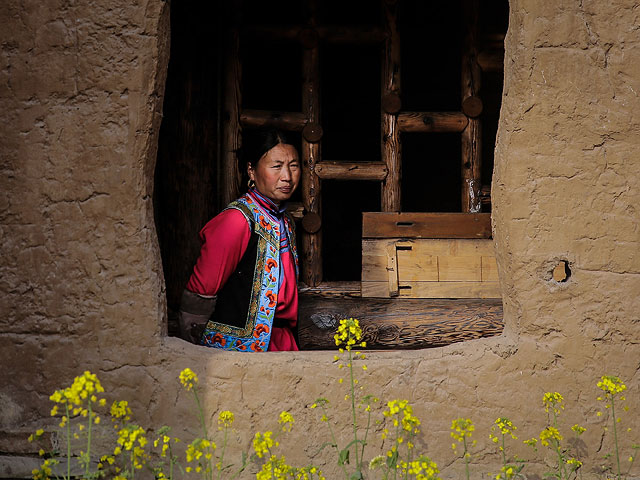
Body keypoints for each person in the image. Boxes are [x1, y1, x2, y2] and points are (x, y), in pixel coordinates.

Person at [178, 129, 301, 352]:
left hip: (280, 344)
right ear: (251, 171)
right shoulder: (237, 220)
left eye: (293, 165)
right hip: (237, 352)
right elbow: (201, 292)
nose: (287, 176)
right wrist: (193, 353)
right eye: (276, 166)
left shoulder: (285, 222)